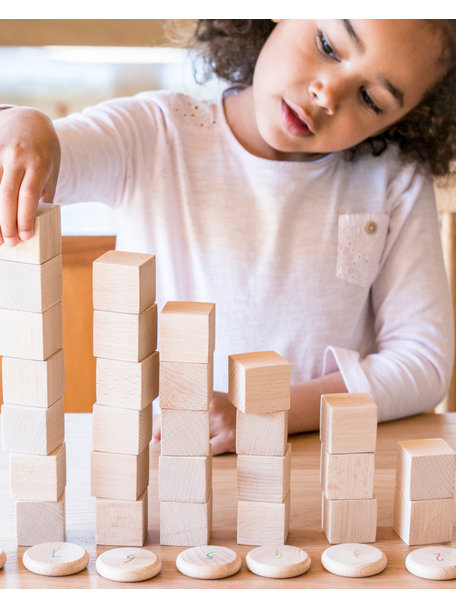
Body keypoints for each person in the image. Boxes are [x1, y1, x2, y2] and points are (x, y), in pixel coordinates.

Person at [0, 20, 455, 455]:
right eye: (328, 45)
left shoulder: (394, 179)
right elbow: (45, 158)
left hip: (322, 469)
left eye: (372, 99)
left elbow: (423, 364)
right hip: (172, 470)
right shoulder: (155, 133)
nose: (328, 94)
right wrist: (22, 124)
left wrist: (263, 413)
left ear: (408, 119)